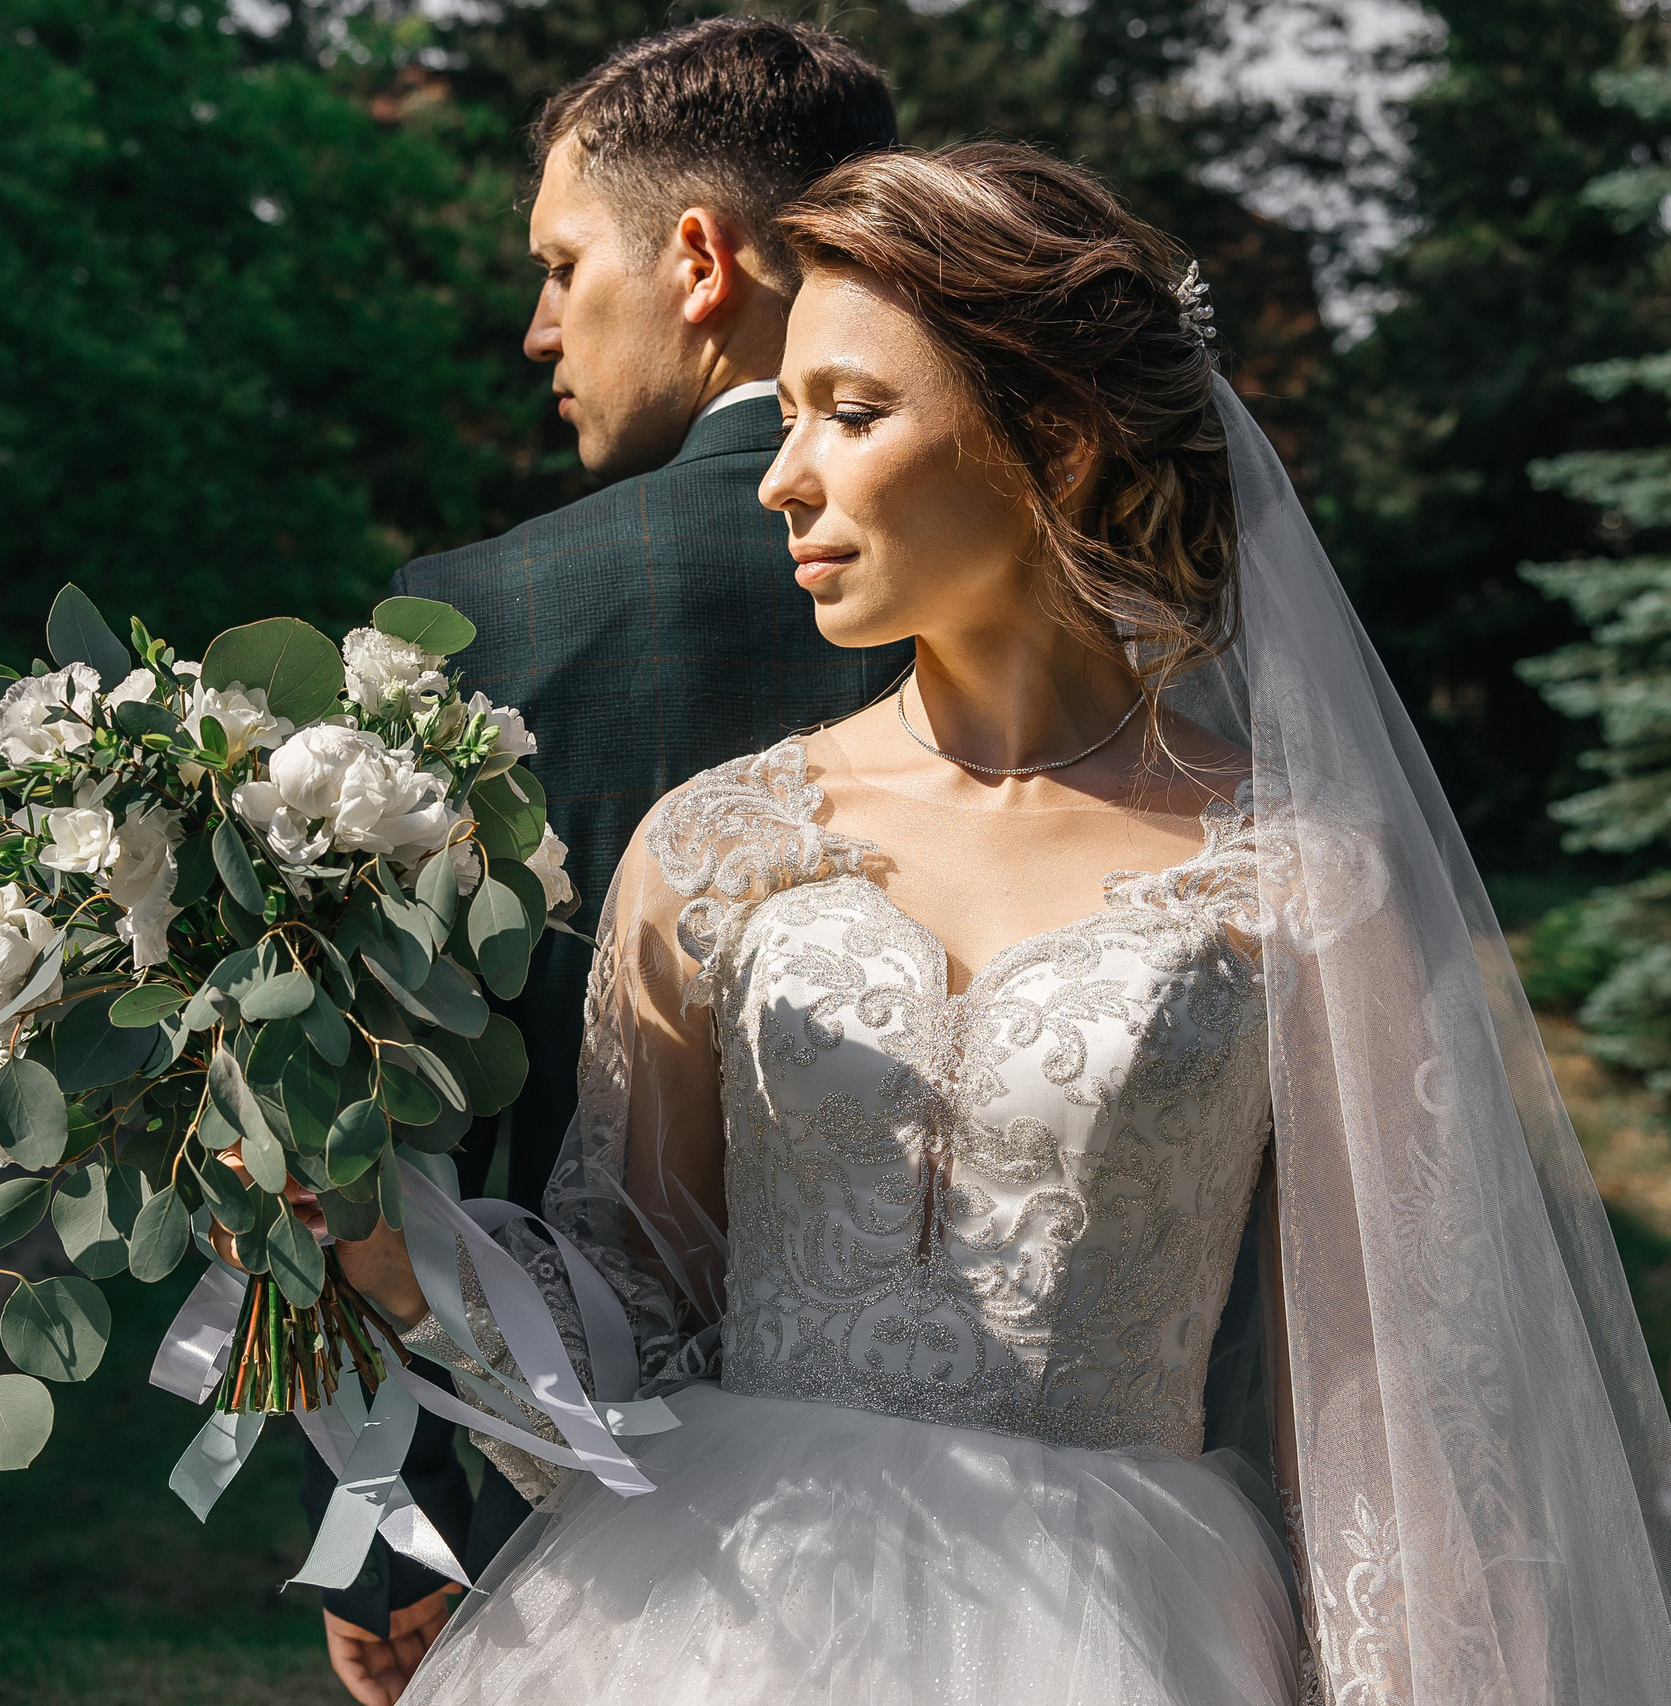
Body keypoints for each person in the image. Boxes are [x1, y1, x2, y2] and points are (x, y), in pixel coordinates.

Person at [315, 142, 1671, 1704]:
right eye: (788, 410)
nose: (781, 475)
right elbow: (627, 1359)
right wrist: (388, 1246)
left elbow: (1393, 1414)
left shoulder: (1298, 882)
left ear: (1059, 442)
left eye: (852, 412)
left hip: (1125, 1637)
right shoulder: (713, 850)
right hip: (704, 1631)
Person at [303, 21, 913, 1697]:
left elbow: (377, 1125)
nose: (538, 328)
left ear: (698, 263)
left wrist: (383, 1531)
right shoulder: (1045, 591)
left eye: (563, 267)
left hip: (567, 1484)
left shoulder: (480, 614)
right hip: (1023, 1509)